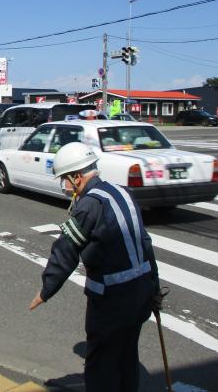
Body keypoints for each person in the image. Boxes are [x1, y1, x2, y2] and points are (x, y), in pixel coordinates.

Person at [29, 142, 161, 392]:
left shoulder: (89, 205)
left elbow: (66, 250)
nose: (64, 187)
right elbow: (145, 242)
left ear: (77, 177)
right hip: (140, 294)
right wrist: (153, 287)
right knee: (126, 357)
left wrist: (46, 290)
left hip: (111, 301)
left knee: (101, 365)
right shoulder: (122, 192)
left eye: (65, 180)